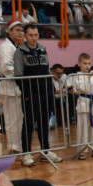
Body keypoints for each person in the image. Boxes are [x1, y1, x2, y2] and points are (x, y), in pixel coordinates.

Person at [12, 23, 58, 166]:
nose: (34, 38)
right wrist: (26, 94)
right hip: (31, 94)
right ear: (25, 36)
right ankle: (26, 153)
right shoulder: (19, 52)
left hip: (46, 92)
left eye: (36, 35)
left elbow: (47, 71)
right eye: (31, 35)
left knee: (44, 122)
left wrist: (51, 89)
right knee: (29, 124)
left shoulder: (43, 49)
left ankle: (45, 151)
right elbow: (18, 75)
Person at [68, 53, 93, 159]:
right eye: (85, 63)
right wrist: (89, 77)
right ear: (79, 64)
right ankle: (82, 151)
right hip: (84, 103)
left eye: (89, 63)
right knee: (83, 128)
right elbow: (83, 89)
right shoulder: (76, 76)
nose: (87, 66)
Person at [0, 20, 24, 155]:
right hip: (10, 87)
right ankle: (13, 148)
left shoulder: (17, 46)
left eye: (22, 30)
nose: (21, 33)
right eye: (17, 30)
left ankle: (19, 146)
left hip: (17, 87)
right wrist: (23, 74)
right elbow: (6, 68)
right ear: (9, 31)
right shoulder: (5, 47)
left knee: (19, 119)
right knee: (12, 120)